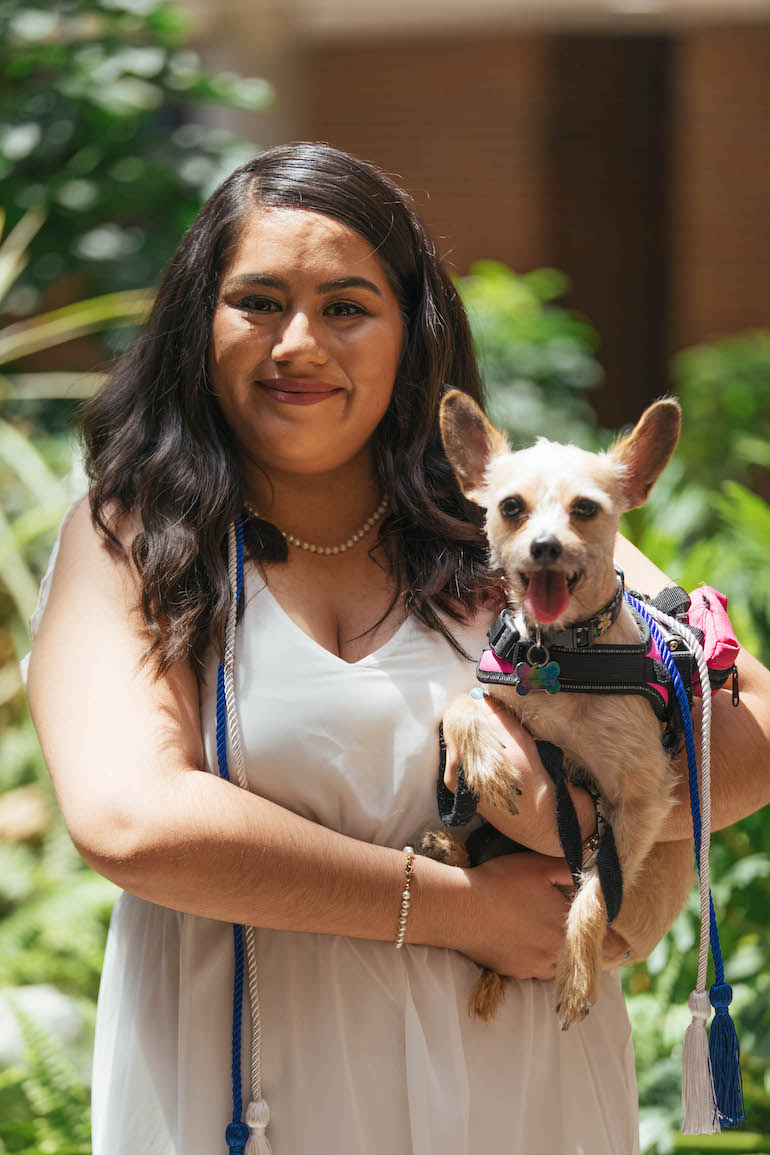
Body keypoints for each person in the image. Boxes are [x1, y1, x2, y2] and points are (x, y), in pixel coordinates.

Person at [21, 142, 770, 1155]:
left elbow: (749, 733)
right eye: (257, 302)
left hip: (518, 1087)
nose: (298, 344)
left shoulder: (517, 522)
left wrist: (577, 813)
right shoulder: (132, 537)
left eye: (345, 307)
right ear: (200, 324)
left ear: (411, 332)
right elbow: (132, 819)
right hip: (243, 1078)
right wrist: (461, 909)